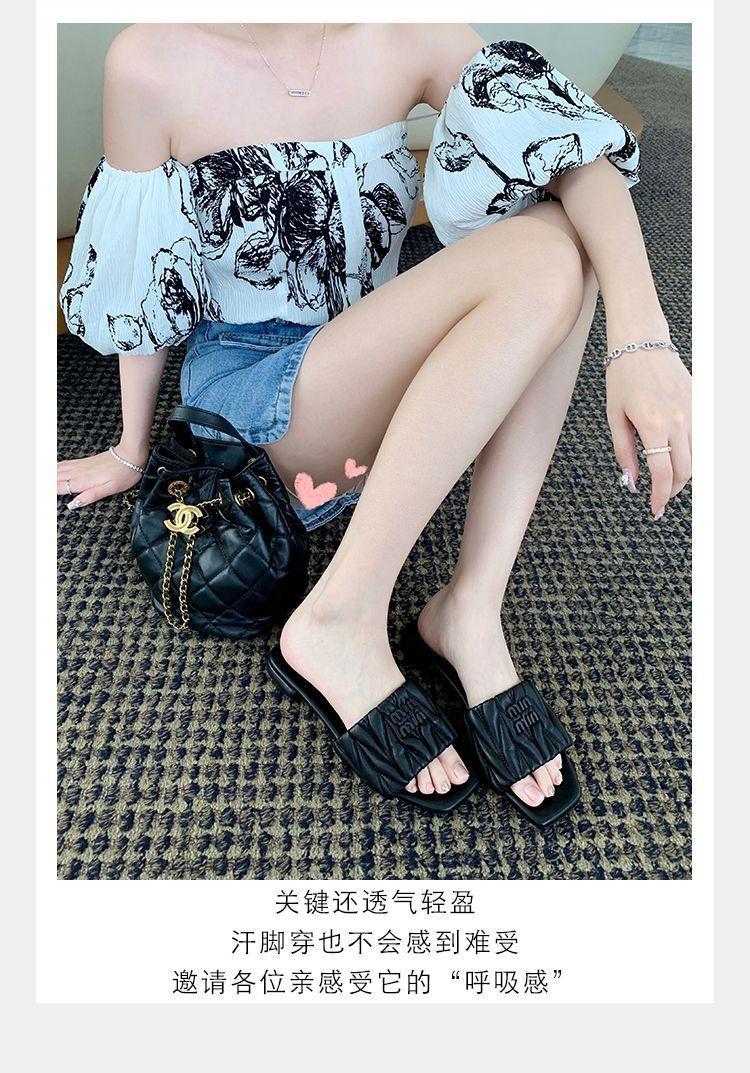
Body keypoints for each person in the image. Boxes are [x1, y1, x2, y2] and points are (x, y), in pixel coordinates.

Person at [58, 23, 692, 819]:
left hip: (372, 367)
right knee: (542, 260)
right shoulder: (150, 60)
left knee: (573, 235)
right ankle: (340, 616)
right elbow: (139, 280)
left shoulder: (406, 30)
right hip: (253, 401)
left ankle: (470, 609)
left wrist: (645, 341)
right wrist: (130, 450)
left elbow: (572, 148)